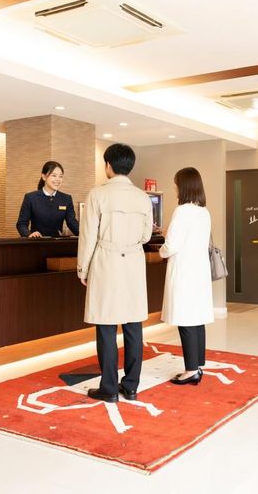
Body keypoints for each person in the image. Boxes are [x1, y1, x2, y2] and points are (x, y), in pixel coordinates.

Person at [72, 144, 153, 403]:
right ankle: (131, 386)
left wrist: (83, 268)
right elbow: (146, 235)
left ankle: (108, 388)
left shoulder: (97, 195)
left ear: (108, 165)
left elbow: (88, 237)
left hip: (106, 261)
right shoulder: (142, 197)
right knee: (133, 324)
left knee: (106, 325)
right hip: (133, 263)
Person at [159, 167, 214, 385]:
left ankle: (191, 370)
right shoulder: (204, 211)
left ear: (184, 186)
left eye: (176, 184)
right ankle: (197, 365)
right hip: (199, 271)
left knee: (185, 320)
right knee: (196, 318)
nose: (174, 188)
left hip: (184, 272)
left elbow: (171, 245)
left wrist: (161, 249)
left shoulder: (182, 211)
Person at [16, 161, 79, 238]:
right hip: (37, 242)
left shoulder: (66, 199)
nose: (58, 179)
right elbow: (21, 224)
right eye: (54, 175)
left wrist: (86, 234)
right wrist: (29, 234)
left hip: (57, 243)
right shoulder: (31, 198)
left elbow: (72, 223)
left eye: (60, 176)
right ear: (44, 177)